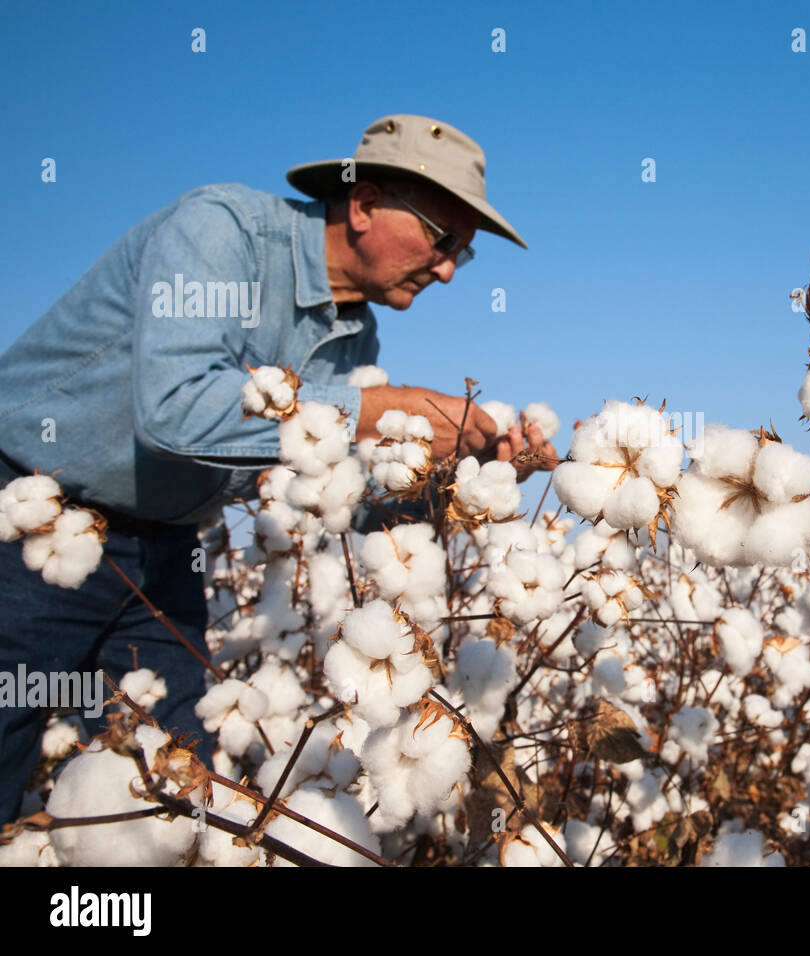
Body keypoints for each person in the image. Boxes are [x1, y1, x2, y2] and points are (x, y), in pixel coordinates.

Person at [0, 114, 556, 824]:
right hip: (23, 519)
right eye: (441, 240)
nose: (447, 269)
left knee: (175, 803)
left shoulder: (355, 336)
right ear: (362, 205)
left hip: (161, 558)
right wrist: (378, 407)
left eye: (463, 257)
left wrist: (461, 482)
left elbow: (329, 500)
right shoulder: (220, 233)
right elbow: (173, 411)